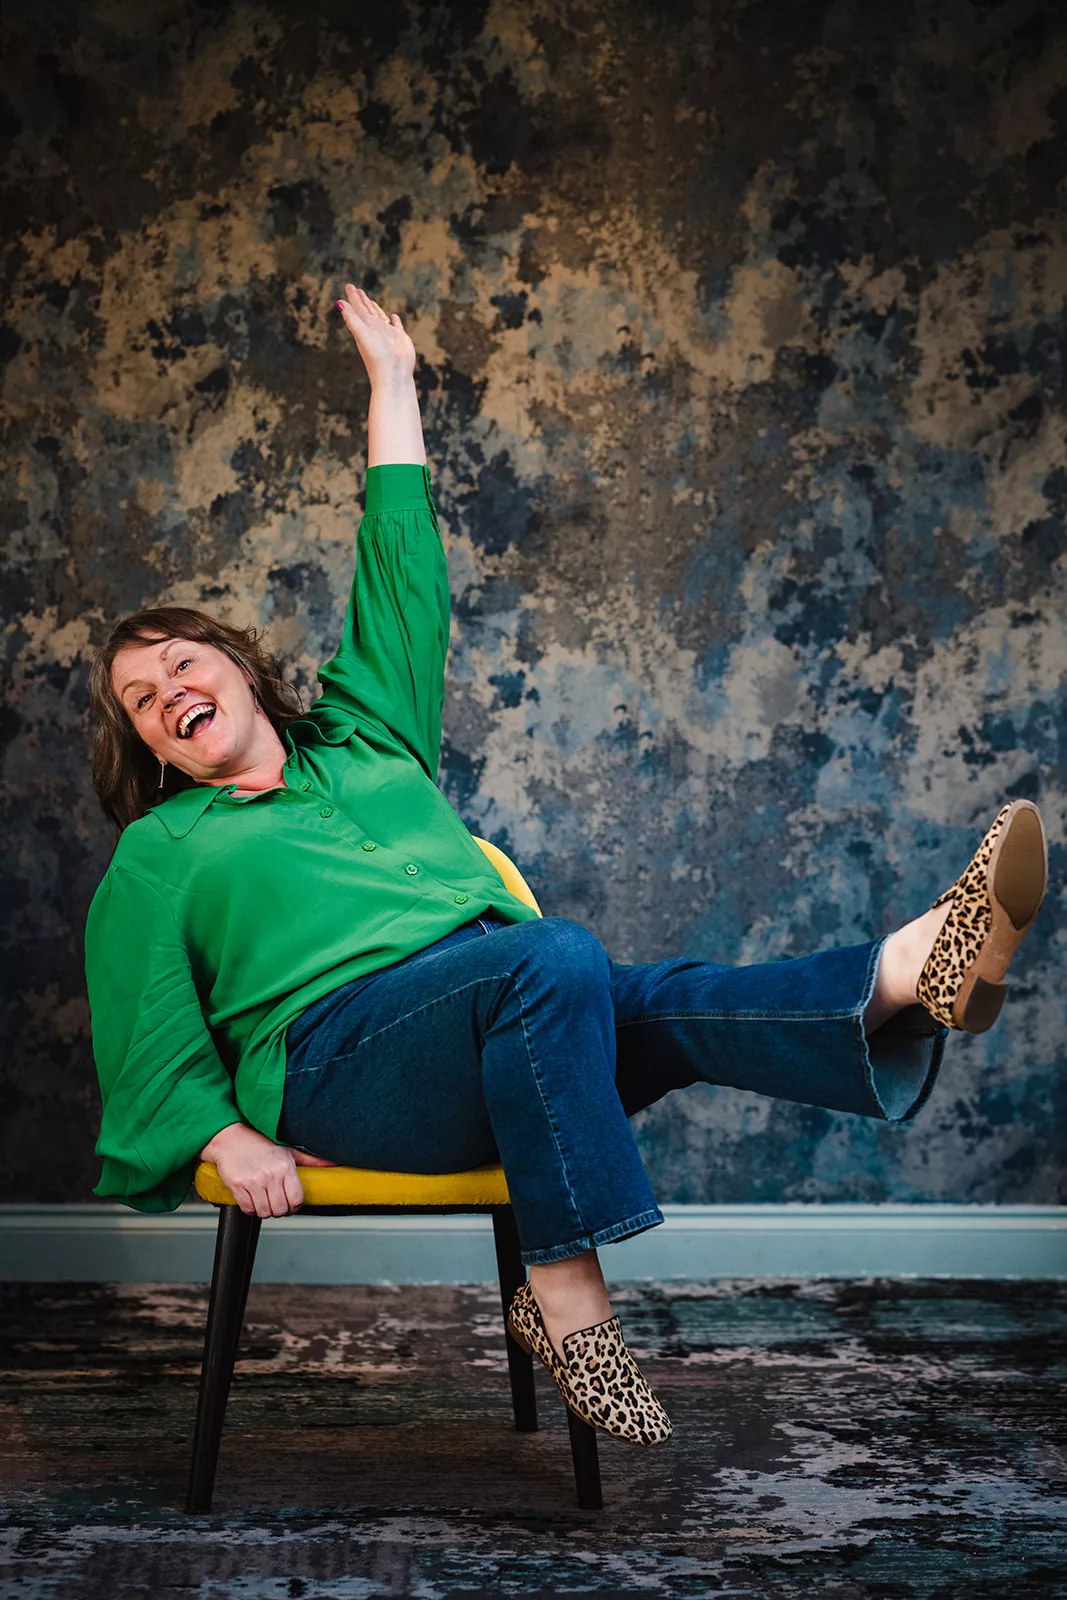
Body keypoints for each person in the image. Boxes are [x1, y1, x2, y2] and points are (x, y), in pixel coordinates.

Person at [85, 283, 1049, 1448]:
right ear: (149, 745)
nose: (169, 693)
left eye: (183, 663)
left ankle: (911, 965)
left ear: (239, 667)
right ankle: (568, 1293)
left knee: (658, 1002)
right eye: (142, 699)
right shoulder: (163, 849)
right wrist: (219, 1135)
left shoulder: (367, 731)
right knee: (553, 958)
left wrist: (394, 384)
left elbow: (399, 568)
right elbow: (141, 1026)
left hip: (500, 1019)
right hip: (335, 1064)